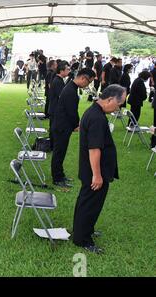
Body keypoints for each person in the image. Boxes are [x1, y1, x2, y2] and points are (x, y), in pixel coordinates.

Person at [73, 85, 126, 254]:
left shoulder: (95, 112)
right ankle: (82, 239)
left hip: (92, 170)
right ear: (110, 100)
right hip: (94, 172)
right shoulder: (97, 117)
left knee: (87, 203)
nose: (119, 108)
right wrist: (97, 175)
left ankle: (83, 230)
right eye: (119, 104)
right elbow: (94, 149)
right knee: (90, 204)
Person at [51, 68, 96, 188]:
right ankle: (57, 178)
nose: (88, 85)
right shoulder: (70, 90)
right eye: (88, 82)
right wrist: (77, 125)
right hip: (62, 126)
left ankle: (60, 175)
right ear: (82, 78)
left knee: (61, 152)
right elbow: (71, 112)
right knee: (59, 153)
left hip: (63, 125)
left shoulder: (71, 87)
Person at [48, 61, 70, 149]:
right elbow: (62, 96)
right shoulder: (58, 81)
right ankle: (52, 145)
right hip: (55, 109)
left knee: (54, 128)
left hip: (55, 108)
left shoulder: (59, 80)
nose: (69, 71)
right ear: (61, 71)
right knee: (54, 128)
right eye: (67, 69)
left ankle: (53, 145)